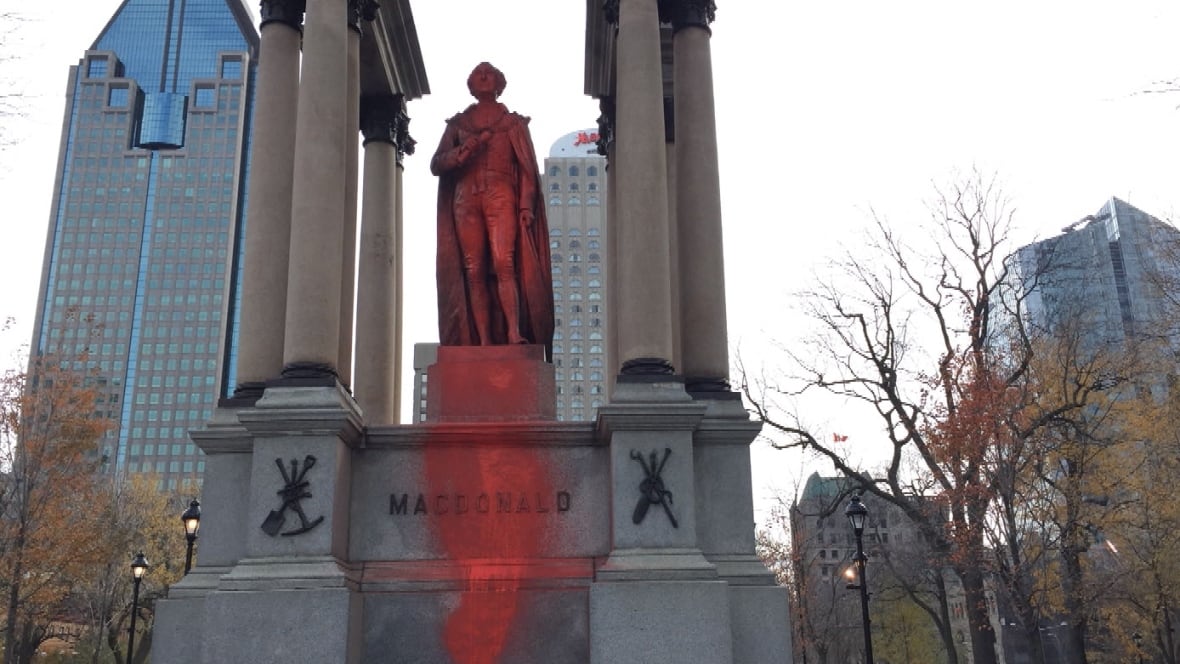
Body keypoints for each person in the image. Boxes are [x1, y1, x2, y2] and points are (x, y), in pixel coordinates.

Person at [431, 62, 553, 350]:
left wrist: (526, 206)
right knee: (473, 269)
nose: (483, 74)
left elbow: (526, 168)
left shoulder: (512, 124)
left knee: (504, 263)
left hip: (501, 195)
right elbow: (437, 163)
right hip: (466, 198)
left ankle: (513, 332)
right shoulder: (459, 125)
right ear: (471, 84)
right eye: (477, 72)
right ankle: (483, 340)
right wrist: (465, 150)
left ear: (499, 83)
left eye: (489, 72)